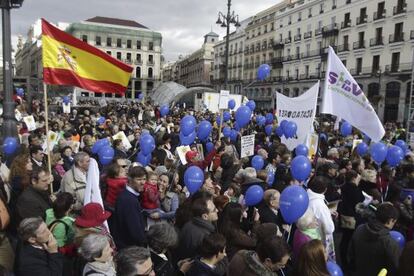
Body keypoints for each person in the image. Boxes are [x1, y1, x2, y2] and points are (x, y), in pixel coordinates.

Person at [348, 203, 401, 276]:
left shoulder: (359, 229)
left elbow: (351, 256)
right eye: (394, 222)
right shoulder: (390, 244)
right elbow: (396, 268)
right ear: (390, 221)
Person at [112, 166, 147, 249]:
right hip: (129, 248)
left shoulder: (128, 196)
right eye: (139, 179)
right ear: (130, 180)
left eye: (144, 179)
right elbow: (135, 232)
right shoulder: (129, 200)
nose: (142, 182)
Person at [176, 194, 218, 261]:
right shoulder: (205, 236)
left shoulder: (189, 223)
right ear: (205, 216)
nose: (217, 210)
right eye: (214, 210)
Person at [338, 170, 364, 270]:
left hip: (343, 216)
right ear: (354, 178)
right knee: (351, 239)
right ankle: (350, 262)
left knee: (345, 239)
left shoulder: (343, 187)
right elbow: (360, 200)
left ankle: (343, 260)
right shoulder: (355, 189)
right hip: (352, 218)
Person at [307, 176, 335, 259]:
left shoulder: (306, 196)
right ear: (325, 189)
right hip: (319, 238)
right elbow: (329, 229)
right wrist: (328, 216)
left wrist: (328, 212)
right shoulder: (319, 205)